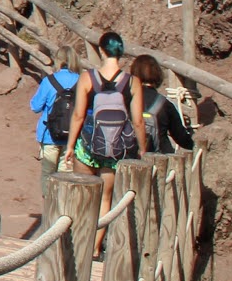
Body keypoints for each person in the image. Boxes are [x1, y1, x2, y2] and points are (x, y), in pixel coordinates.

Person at [62, 31, 149, 234]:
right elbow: (138, 121)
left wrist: (69, 146)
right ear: (120, 52)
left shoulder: (87, 78)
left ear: (101, 51)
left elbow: (78, 115)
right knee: (105, 199)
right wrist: (143, 148)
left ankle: (79, 241)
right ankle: (95, 247)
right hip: (115, 149)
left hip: (87, 146)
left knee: (82, 196)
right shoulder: (132, 82)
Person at [29, 61, 84, 199]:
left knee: (48, 171)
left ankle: (49, 203)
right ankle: (62, 205)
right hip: (72, 134)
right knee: (66, 172)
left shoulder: (49, 81)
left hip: (49, 133)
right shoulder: (81, 80)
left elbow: (35, 106)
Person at [131, 54, 196, 154]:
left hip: (131, 158)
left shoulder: (126, 101)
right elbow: (181, 138)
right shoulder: (165, 104)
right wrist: (194, 144)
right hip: (160, 158)